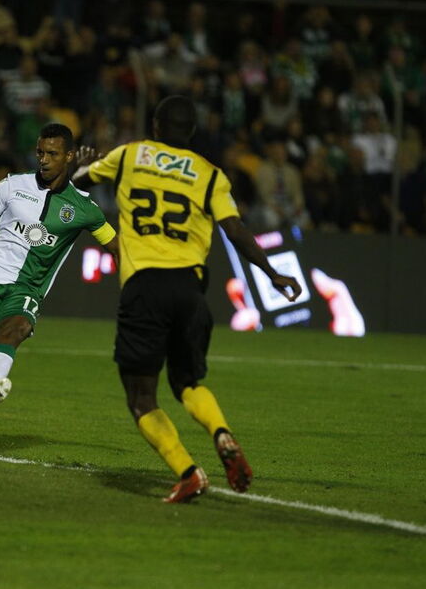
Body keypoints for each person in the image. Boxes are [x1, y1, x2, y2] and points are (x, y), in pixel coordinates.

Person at [72, 96, 302, 503]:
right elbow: (235, 230)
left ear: (156, 126)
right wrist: (273, 273)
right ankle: (221, 432)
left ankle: (188, 471)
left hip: (145, 287)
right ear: (192, 132)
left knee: (141, 396)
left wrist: (84, 164)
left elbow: (79, 183)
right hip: (191, 290)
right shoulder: (210, 175)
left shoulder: (129, 155)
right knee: (188, 382)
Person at [0, 123, 119, 456]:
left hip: (27, 286)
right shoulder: (12, 186)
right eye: (40, 152)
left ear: (69, 156)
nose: (43, 159)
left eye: (52, 154)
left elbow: (118, 248)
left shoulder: (84, 208)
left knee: (14, 330)